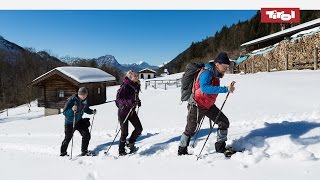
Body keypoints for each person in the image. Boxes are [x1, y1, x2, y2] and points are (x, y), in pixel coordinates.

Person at [178, 52, 235, 156]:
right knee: (191, 129)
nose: (226, 69)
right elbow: (205, 88)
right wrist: (225, 89)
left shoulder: (215, 73)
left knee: (224, 122)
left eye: (227, 67)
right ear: (217, 64)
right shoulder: (207, 72)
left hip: (208, 105)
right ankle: (182, 150)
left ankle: (220, 147)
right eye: (224, 67)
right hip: (196, 105)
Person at [60, 87, 96, 156]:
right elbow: (64, 112)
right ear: (79, 94)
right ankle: (63, 153)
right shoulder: (72, 100)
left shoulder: (84, 101)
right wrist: (72, 110)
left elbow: (85, 109)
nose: (84, 96)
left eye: (85, 95)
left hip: (79, 121)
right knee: (68, 137)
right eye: (82, 95)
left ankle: (84, 151)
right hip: (70, 122)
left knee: (86, 134)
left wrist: (91, 111)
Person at [116, 70, 143, 156]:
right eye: (135, 76)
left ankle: (130, 142)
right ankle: (121, 151)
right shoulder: (125, 86)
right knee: (124, 133)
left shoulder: (136, 85)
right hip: (123, 112)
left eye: (137, 75)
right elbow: (118, 100)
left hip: (131, 111)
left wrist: (137, 101)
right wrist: (130, 102)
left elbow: (135, 97)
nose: (137, 77)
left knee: (139, 129)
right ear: (130, 77)